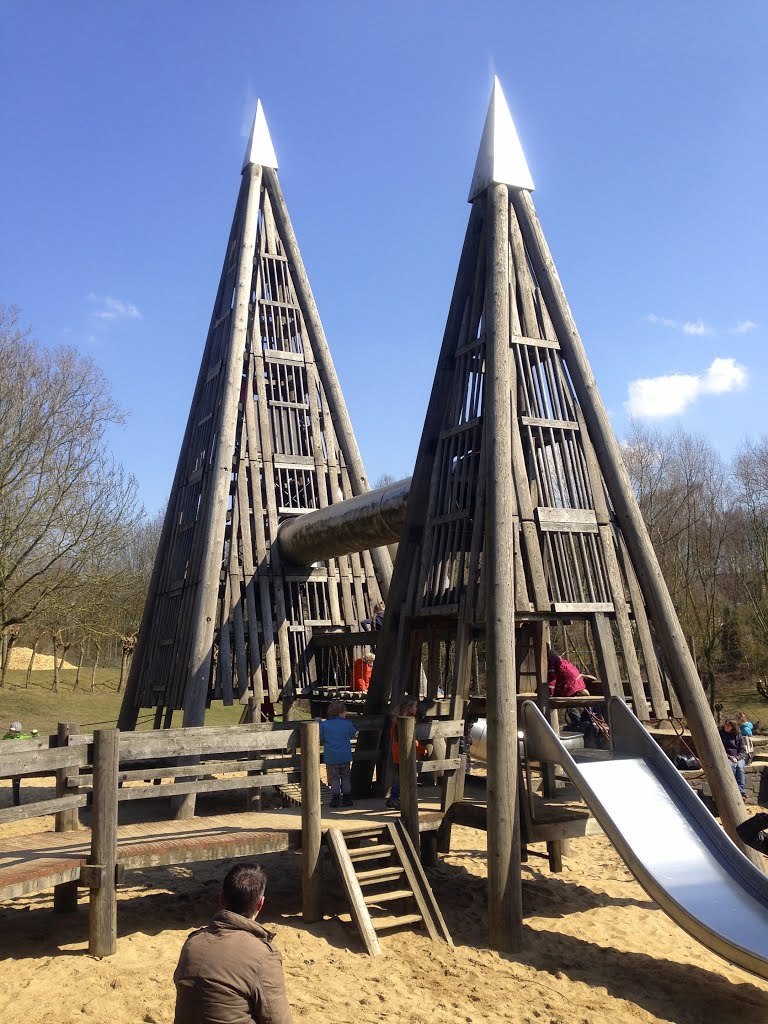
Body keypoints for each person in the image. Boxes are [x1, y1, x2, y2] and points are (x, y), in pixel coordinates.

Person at [173, 862, 293, 1024]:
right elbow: (278, 1019)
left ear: (222, 898)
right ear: (260, 903)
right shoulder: (262, 955)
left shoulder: (192, 942)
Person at [385, 697, 427, 810]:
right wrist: (422, 749)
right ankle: (394, 798)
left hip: (397, 753)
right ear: (409, 708)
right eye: (415, 706)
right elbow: (410, 742)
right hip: (403, 754)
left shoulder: (397, 721)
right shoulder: (405, 722)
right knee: (405, 778)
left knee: (401, 777)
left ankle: (394, 798)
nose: (416, 709)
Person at [319, 700, 357, 808]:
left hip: (331, 758)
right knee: (346, 777)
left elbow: (320, 736)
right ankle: (347, 798)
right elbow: (353, 733)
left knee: (334, 778)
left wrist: (318, 722)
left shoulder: (324, 725)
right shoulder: (347, 724)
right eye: (345, 713)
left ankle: (335, 799)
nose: (346, 714)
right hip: (344, 757)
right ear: (341, 713)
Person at [2, 721, 40, 806]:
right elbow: (6, 739)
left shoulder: (21, 736)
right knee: (16, 782)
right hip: (14, 765)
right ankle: (16, 801)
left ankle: (16, 801)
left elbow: (35, 739)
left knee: (16, 782)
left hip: (17, 765)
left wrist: (35, 734)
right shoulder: (8, 737)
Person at [719, 717, 747, 799]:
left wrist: (736, 758)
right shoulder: (720, 734)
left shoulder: (739, 736)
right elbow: (720, 749)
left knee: (740, 767)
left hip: (738, 757)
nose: (726, 726)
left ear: (733, 727)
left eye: (728, 725)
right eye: (726, 724)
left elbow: (742, 751)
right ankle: (736, 790)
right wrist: (730, 757)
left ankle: (741, 792)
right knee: (731, 766)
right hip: (726, 757)